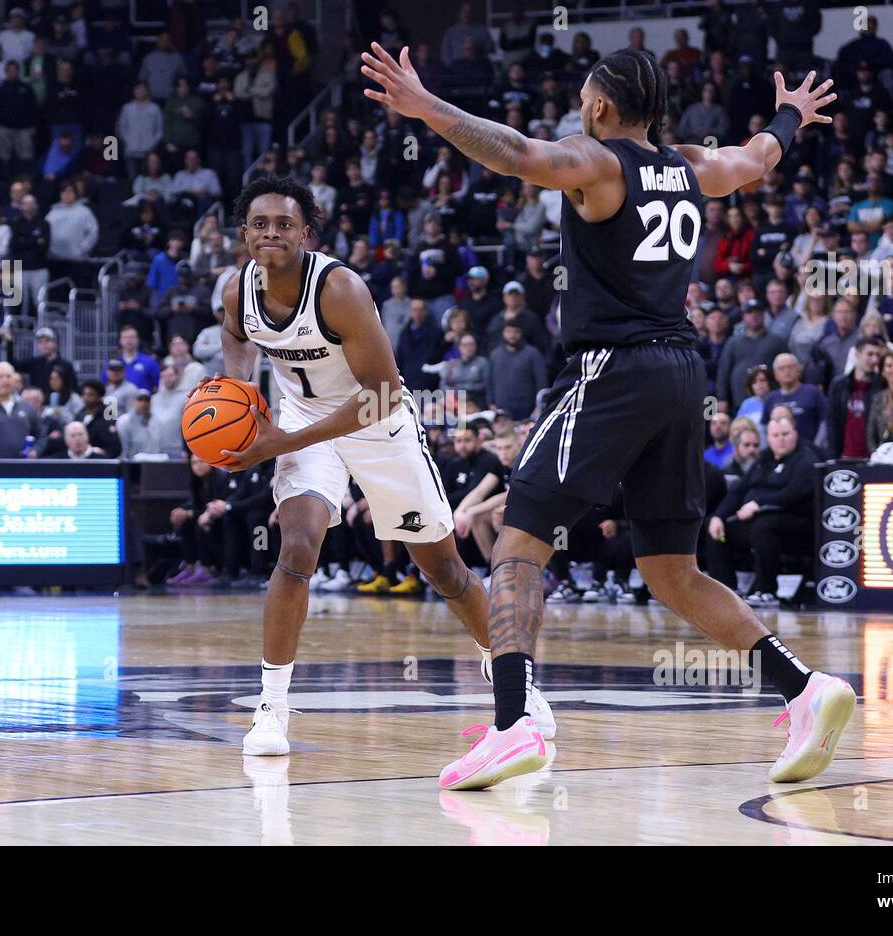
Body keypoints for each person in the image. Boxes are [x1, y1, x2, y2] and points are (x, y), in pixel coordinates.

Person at [359, 42, 855, 788]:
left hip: (610, 370)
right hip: (683, 373)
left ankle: (513, 724)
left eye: (582, 100)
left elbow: (515, 152)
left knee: (517, 546)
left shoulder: (595, 162)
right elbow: (756, 159)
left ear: (598, 108)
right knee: (672, 572)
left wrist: (426, 106)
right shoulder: (692, 166)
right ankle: (807, 690)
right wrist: (789, 116)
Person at [195, 175, 554, 757]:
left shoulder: (339, 289)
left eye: (284, 224)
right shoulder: (238, 290)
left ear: (306, 234)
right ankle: (271, 709)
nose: (270, 234)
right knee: (297, 548)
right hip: (303, 420)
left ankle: (516, 682)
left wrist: (279, 442)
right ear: (244, 233)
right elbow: (236, 337)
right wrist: (237, 400)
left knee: (444, 571)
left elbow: (382, 393)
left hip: (378, 423)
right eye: (259, 224)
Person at [704, 416, 818, 608]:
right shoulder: (763, 459)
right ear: (769, 438)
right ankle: (727, 590)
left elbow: (795, 493)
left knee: (764, 525)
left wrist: (759, 504)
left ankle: (766, 591)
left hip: (793, 524)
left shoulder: (806, 459)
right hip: (755, 524)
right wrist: (718, 516)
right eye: (775, 435)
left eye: (785, 434)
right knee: (715, 529)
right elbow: (738, 490)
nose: (780, 439)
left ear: (795, 434)